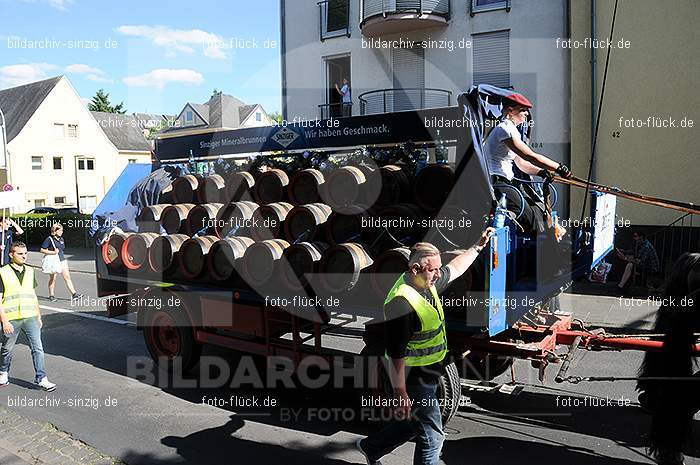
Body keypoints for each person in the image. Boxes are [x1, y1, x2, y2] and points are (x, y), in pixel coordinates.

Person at [357, 227, 495, 465]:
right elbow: (395, 354)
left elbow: (456, 269)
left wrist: (478, 246)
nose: (438, 274)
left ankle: (370, 447)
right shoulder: (402, 304)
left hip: (431, 372)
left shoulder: (426, 281)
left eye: (438, 268)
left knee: (411, 425)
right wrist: (400, 393)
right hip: (414, 379)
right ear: (415, 269)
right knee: (432, 436)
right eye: (433, 269)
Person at [484, 92, 572, 234]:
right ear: (511, 110)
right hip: (497, 183)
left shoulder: (511, 130)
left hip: (506, 181)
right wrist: (559, 167)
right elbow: (530, 156)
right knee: (530, 219)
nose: (526, 114)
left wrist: (542, 172)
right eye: (523, 110)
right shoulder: (504, 129)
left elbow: (522, 163)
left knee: (538, 209)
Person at [0, 242, 56, 391]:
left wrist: (38, 316)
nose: (24, 256)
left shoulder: (30, 271)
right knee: (7, 349)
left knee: (38, 348)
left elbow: (33, 295)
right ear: (11, 255)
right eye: (20, 253)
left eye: (25, 253)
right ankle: (3, 372)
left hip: (30, 316)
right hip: (11, 318)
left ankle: (41, 378)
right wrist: (4, 320)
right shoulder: (2, 272)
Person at [40, 223, 82, 302]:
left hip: (62, 260)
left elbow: (62, 249)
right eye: (60, 230)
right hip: (53, 261)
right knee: (53, 279)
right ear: (54, 231)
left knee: (67, 277)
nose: (61, 232)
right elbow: (42, 250)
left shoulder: (62, 239)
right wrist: (53, 252)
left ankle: (74, 294)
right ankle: (51, 295)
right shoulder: (49, 239)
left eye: (62, 230)